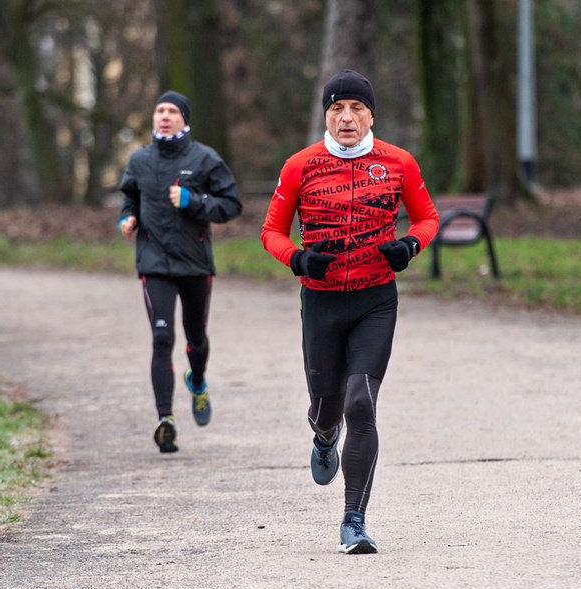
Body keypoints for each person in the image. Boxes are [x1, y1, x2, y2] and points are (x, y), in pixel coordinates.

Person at [261, 69, 440, 554]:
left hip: (374, 301)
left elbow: (427, 218)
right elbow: (271, 231)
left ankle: (353, 522)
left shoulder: (398, 163)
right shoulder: (300, 166)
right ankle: (324, 434)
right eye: (337, 108)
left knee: (361, 402)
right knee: (327, 409)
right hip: (321, 303)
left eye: (356, 108)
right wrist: (297, 259)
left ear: (370, 116)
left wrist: (410, 245)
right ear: (326, 115)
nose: (346, 117)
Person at [119, 90, 243, 454]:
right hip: (154, 262)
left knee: (196, 338)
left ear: (184, 119)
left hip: (194, 263)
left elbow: (231, 204)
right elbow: (130, 197)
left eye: (172, 111)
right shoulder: (139, 160)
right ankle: (166, 421)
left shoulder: (204, 158)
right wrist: (127, 218)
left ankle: (198, 381)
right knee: (162, 339)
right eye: (159, 110)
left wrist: (194, 201)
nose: (164, 116)